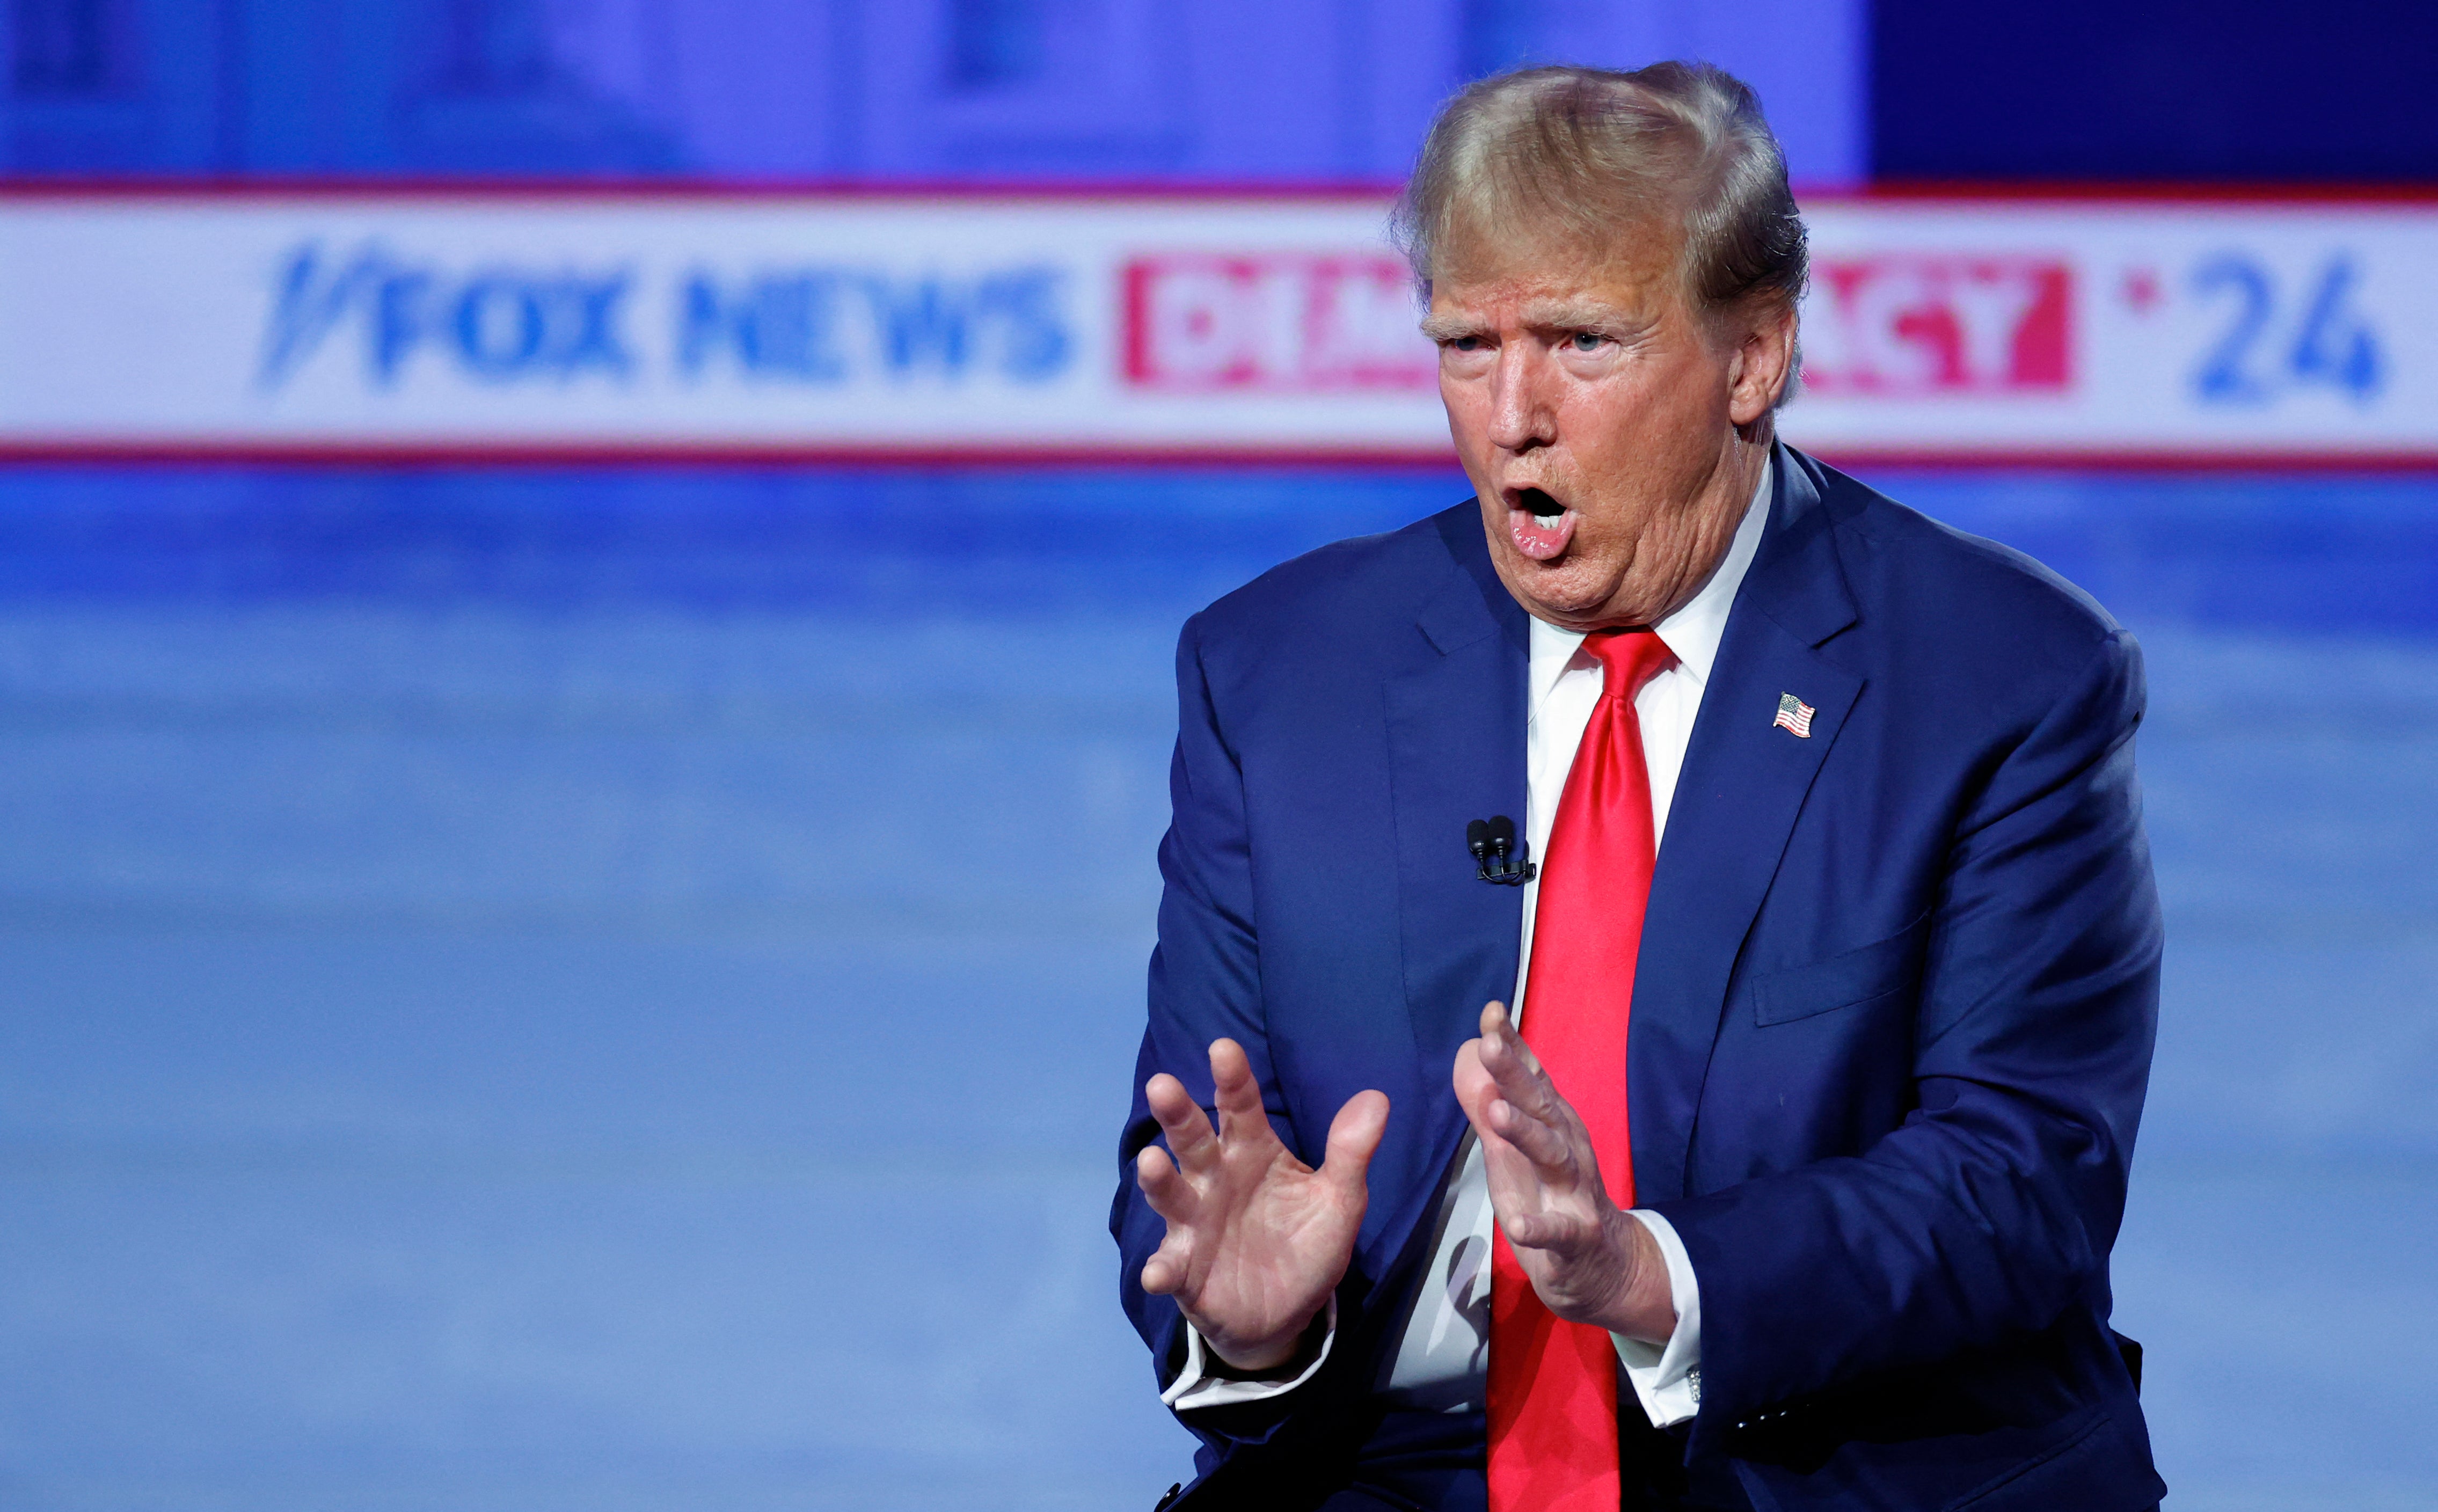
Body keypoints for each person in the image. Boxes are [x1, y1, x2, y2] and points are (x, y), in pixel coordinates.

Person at [1112, 62, 2164, 1512]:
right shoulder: (1277, 678)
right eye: (1467, 346)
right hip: (1391, 1474)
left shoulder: (2003, 682)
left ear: (1754, 357)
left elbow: (2019, 1179)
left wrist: (1646, 1271)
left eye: (1581, 343)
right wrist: (1254, 1323)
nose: (1511, 415)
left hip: (1851, 1469)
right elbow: (1192, 1175)